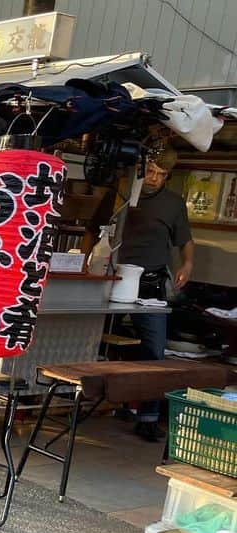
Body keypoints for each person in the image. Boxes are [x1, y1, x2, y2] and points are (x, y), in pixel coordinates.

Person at [118, 146, 194, 442]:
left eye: (162, 175)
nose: (154, 178)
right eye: (150, 171)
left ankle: (148, 417)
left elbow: (185, 241)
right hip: (114, 274)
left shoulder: (174, 204)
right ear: (141, 169)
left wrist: (187, 264)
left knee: (154, 350)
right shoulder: (124, 191)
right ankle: (111, 403)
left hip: (150, 280)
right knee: (100, 340)